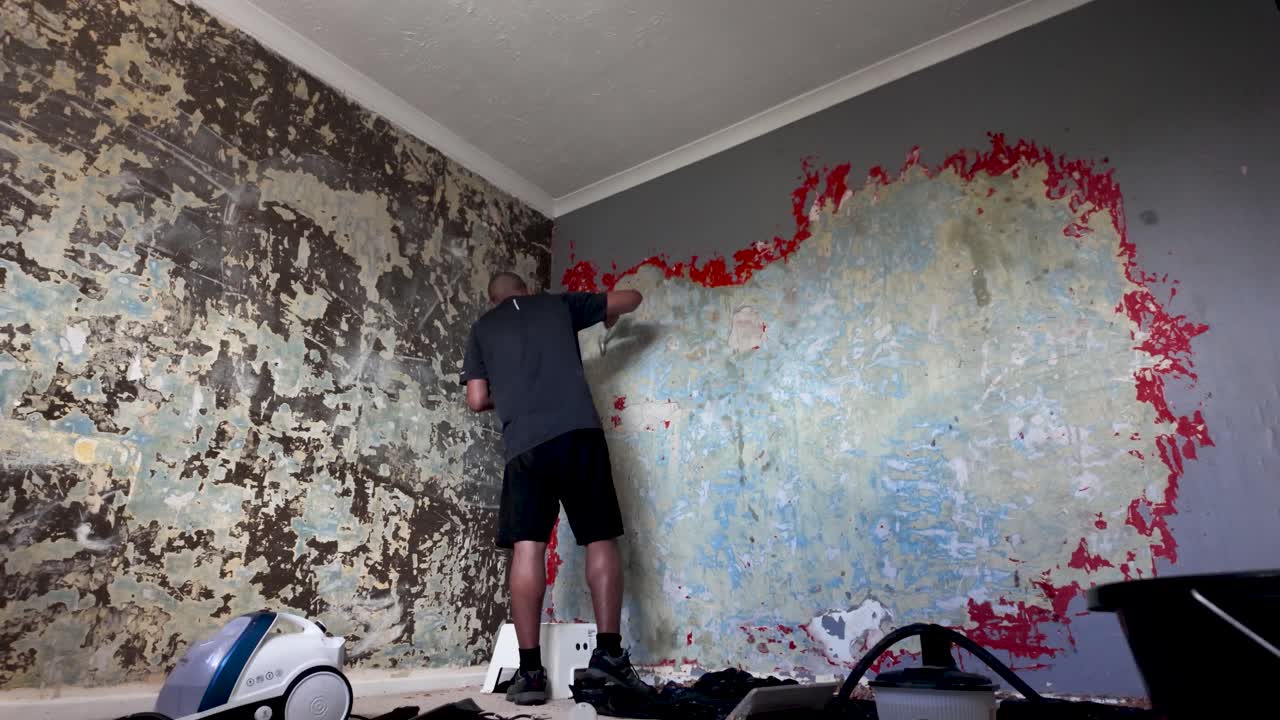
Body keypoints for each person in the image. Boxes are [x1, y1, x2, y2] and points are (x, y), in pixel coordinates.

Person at [460, 271, 648, 705]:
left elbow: (475, 399)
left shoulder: (482, 329)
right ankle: (609, 660)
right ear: (525, 289)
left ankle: (529, 674)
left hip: (524, 447)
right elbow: (632, 297)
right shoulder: (557, 304)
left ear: (493, 300)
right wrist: (610, 316)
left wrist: (509, 390)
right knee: (599, 538)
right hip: (579, 435)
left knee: (528, 548)